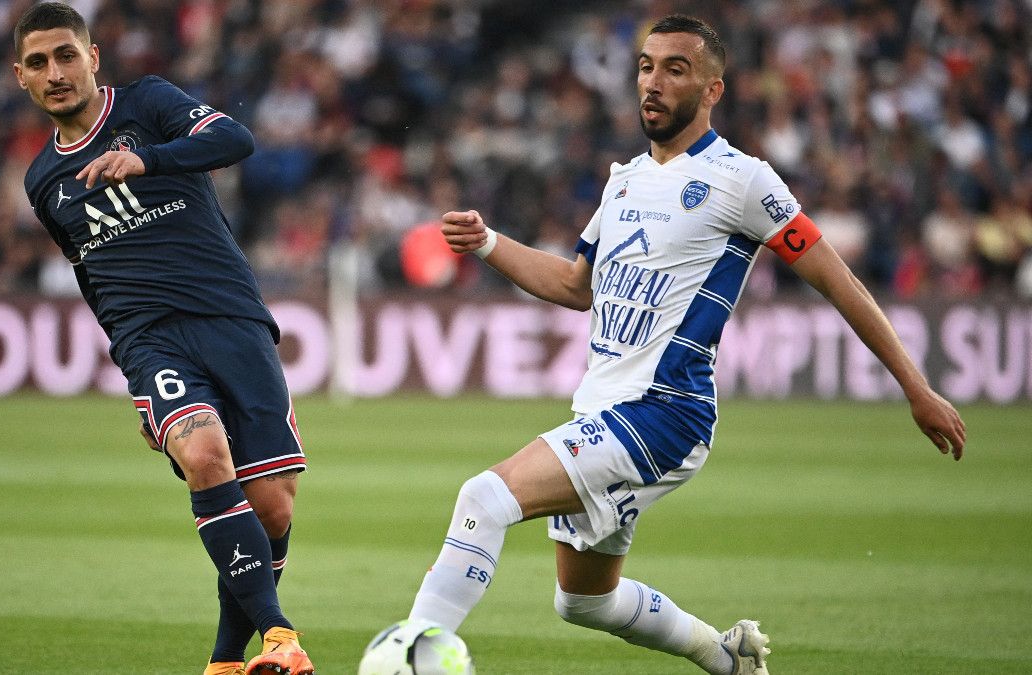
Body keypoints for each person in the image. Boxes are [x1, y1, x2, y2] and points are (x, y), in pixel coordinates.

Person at [408, 14, 966, 675]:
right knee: (582, 600)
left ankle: (410, 659)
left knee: (484, 497)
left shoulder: (744, 180)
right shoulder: (623, 180)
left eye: (675, 68)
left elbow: (837, 280)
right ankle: (727, 656)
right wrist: (491, 243)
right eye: (647, 66)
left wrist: (916, 385)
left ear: (712, 89)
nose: (654, 81)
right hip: (605, 409)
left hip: (666, 408)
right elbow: (571, 283)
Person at [12, 4, 313, 674]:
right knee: (206, 456)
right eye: (38, 63)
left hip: (232, 319)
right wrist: (134, 380)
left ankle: (224, 660)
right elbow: (94, 283)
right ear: (21, 78)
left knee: (271, 507)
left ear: (92, 58)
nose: (55, 73)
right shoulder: (43, 183)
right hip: (152, 342)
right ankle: (280, 636)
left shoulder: (147, 103)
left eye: (66, 55)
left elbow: (235, 140)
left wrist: (144, 160)